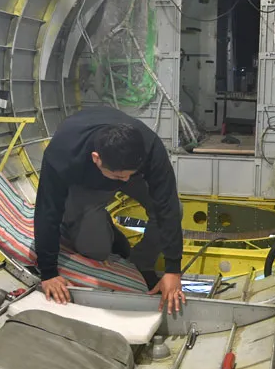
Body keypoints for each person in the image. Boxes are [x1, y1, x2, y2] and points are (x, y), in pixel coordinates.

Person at [33, 106, 187, 314]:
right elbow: (47, 210)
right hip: (85, 182)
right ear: (97, 158)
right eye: (119, 177)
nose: (124, 183)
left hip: (125, 170)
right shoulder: (63, 154)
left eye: (128, 176)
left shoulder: (149, 147)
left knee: (176, 208)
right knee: (96, 249)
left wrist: (173, 270)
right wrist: (48, 272)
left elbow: (167, 205)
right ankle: (103, 225)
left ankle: (141, 265)